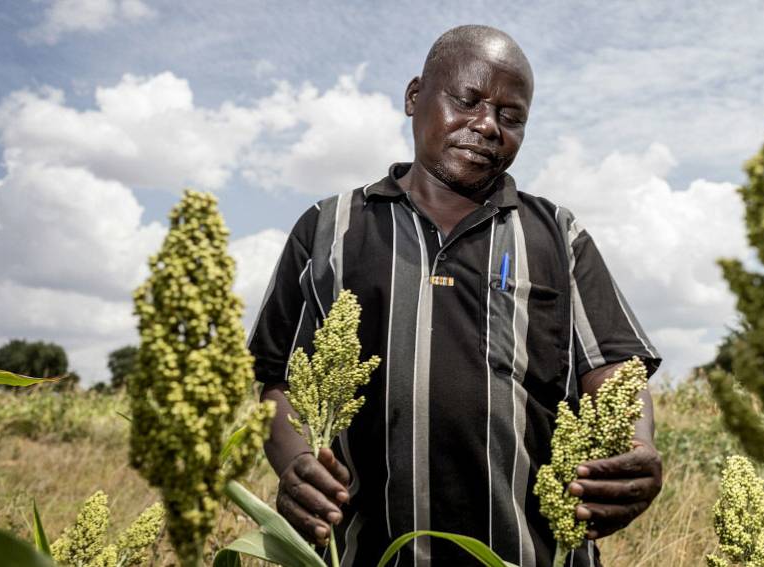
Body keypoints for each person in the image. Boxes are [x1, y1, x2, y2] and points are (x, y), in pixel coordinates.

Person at [248, 24, 662, 567]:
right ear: (415, 96)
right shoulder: (330, 229)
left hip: (530, 553)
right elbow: (278, 379)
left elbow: (614, 371)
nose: (487, 125)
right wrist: (296, 462)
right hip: (368, 553)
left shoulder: (556, 234)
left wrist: (635, 448)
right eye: (467, 101)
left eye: (510, 117)